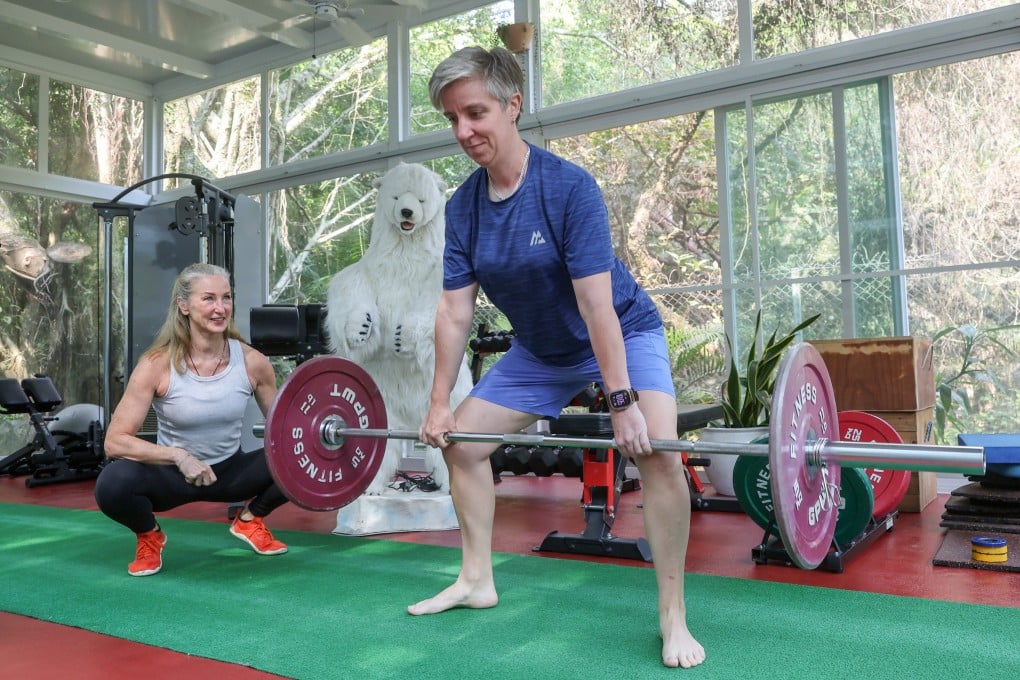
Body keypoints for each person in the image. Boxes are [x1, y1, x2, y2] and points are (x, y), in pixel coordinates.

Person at [410, 46, 706, 670]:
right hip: (541, 353)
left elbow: (598, 307)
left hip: (623, 331)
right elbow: (454, 312)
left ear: (513, 105)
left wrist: (621, 402)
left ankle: (672, 615)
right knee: (462, 443)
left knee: (659, 454)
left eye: (475, 113)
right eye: (452, 119)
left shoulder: (568, 188)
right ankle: (476, 579)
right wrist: (438, 402)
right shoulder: (463, 207)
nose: (463, 131)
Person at [95, 262, 289, 577]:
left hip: (230, 472)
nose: (220, 308)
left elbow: (285, 432)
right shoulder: (156, 365)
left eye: (226, 298)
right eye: (208, 299)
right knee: (112, 483)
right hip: (172, 476)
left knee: (298, 458)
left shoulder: (254, 363)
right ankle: (149, 535)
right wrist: (180, 456)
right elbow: (114, 442)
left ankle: (251, 520)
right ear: (183, 305)